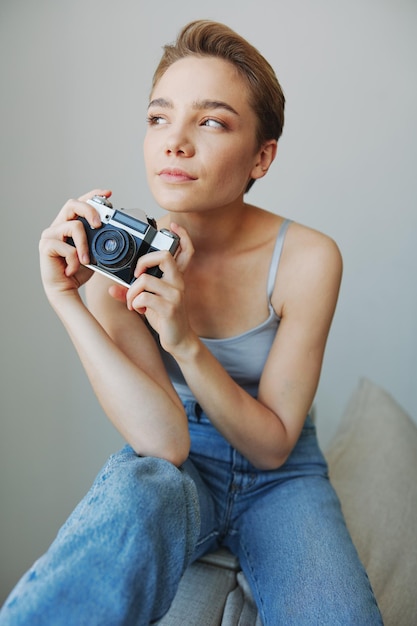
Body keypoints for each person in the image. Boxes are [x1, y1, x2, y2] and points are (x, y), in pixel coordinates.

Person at [0, 19, 382, 626]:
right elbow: (165, 443)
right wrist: (67, 300)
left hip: (282, 477)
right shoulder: (117, 266)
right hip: (180, 461)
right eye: (159, 118)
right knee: (137, 490)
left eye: (210, 121)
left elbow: (274, 445)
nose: (173, 142)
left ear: (262, 156)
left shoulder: (308, 258)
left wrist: (182, 339)